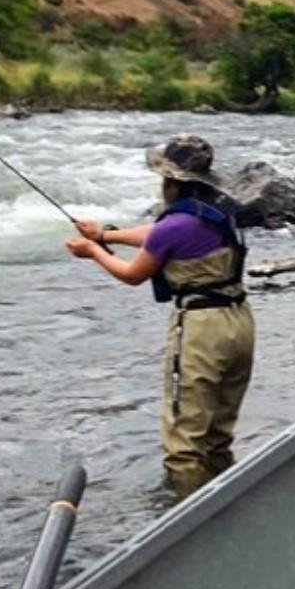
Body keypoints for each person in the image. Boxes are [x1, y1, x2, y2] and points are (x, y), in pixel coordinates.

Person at [65, 134, 255, 492]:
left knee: (183, 445)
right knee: (217, 434)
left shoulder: (173, 227)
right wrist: (107, 235)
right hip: (240, 322)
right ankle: (225, 501)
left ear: (172, 182)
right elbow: (160, 234)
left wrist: (93, 251)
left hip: (202, 329)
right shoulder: (218, 213)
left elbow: (133, 274)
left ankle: (184, 515)